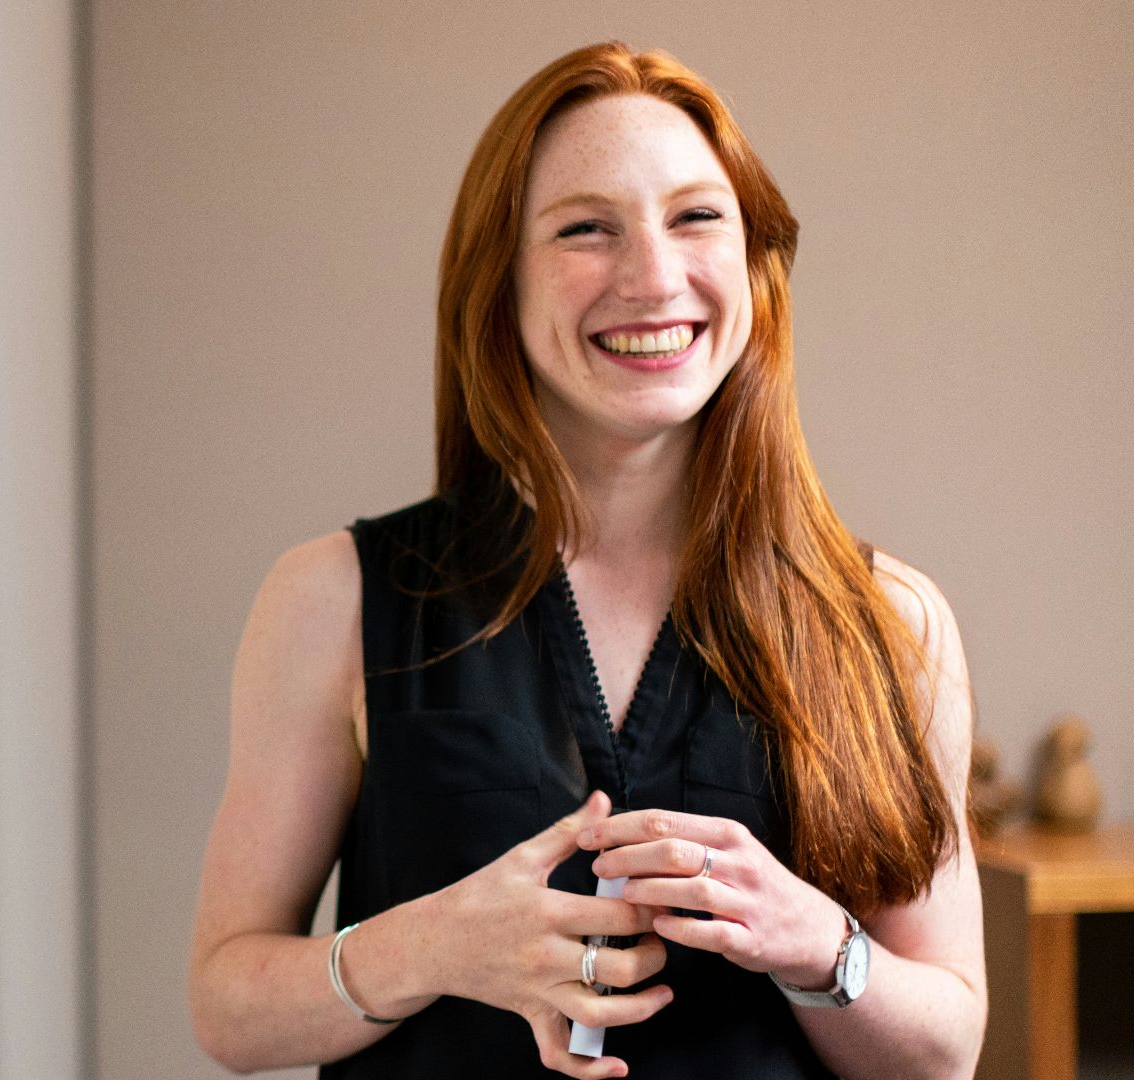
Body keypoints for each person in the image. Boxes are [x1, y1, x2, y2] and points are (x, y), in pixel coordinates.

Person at [189, 41, 984, 1080]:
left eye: (697, 218)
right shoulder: (332, 601)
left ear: (753, 264)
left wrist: (816, 945)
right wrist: (427, 947)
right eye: (585, 230)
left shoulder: (891, 622)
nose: (653, 278)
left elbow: (946, 1051)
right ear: (500, 286)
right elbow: (226, 1008)